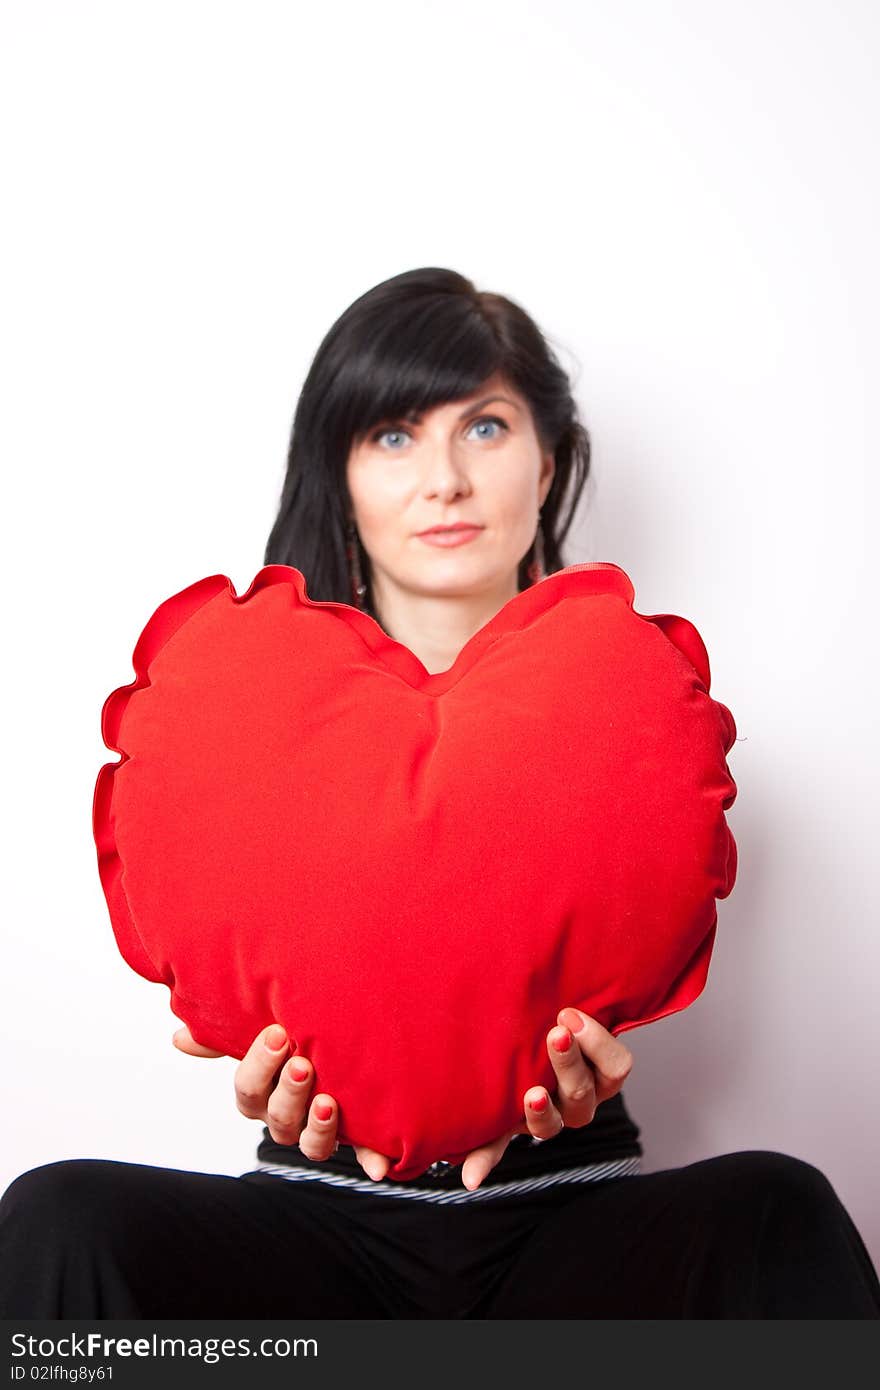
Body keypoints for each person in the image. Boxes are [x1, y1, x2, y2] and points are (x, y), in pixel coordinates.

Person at [2, 267, 878, 1319]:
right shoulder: (238, 719)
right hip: (314, 1232)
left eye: (486, 427)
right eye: (393, 435)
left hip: (573, 1232)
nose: (445, 479)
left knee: (777, 1210)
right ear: (339, 470)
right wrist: (235, 1019)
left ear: (547, 461)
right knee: (60, 1218)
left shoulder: (631, 714)